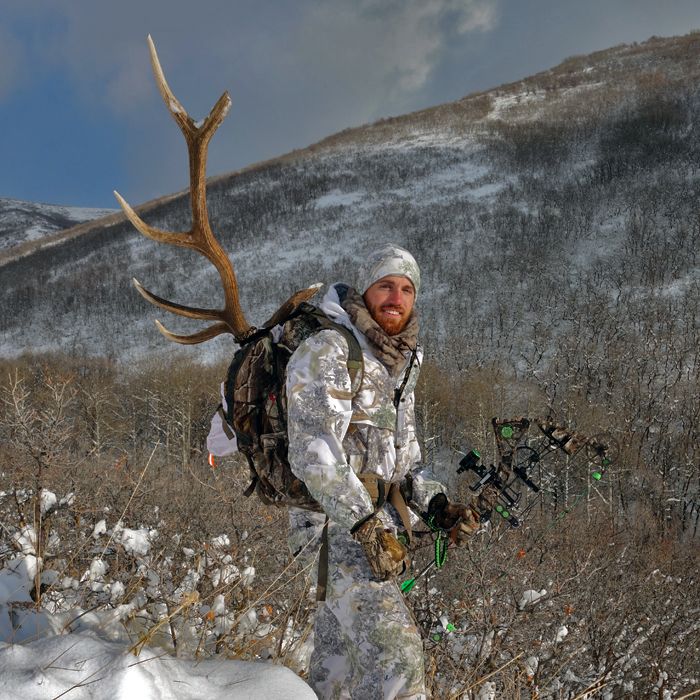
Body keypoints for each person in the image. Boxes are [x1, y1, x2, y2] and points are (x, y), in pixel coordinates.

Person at [285, 244, 478, 700]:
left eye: (407, 289)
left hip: (377, 526)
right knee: (399, 658)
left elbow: (404, 458)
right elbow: (314, 453)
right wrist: (366, 526)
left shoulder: (400, 362)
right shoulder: (331, 348)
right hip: (333, 529)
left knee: (339, 673)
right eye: (386, 285)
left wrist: (436, 505)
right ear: (366, 291)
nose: (396, 297)